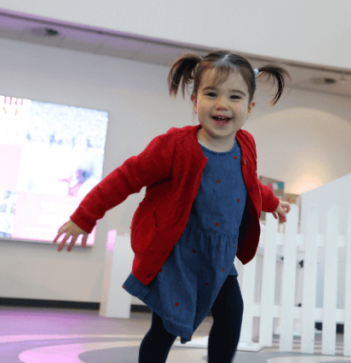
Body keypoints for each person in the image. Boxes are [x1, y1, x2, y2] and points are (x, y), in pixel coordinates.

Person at [54, 51, 291, 363]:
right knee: (164, 327)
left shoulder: (245, 144)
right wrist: (84, 217)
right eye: (211, 93)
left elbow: (247, 183)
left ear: (249, 108)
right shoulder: (175, 146)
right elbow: (125, 178)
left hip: (218, 257)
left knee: (232, 315)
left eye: (234, 96)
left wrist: (271, 202)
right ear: (195, 102)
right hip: (176, 256)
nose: (222, 103)